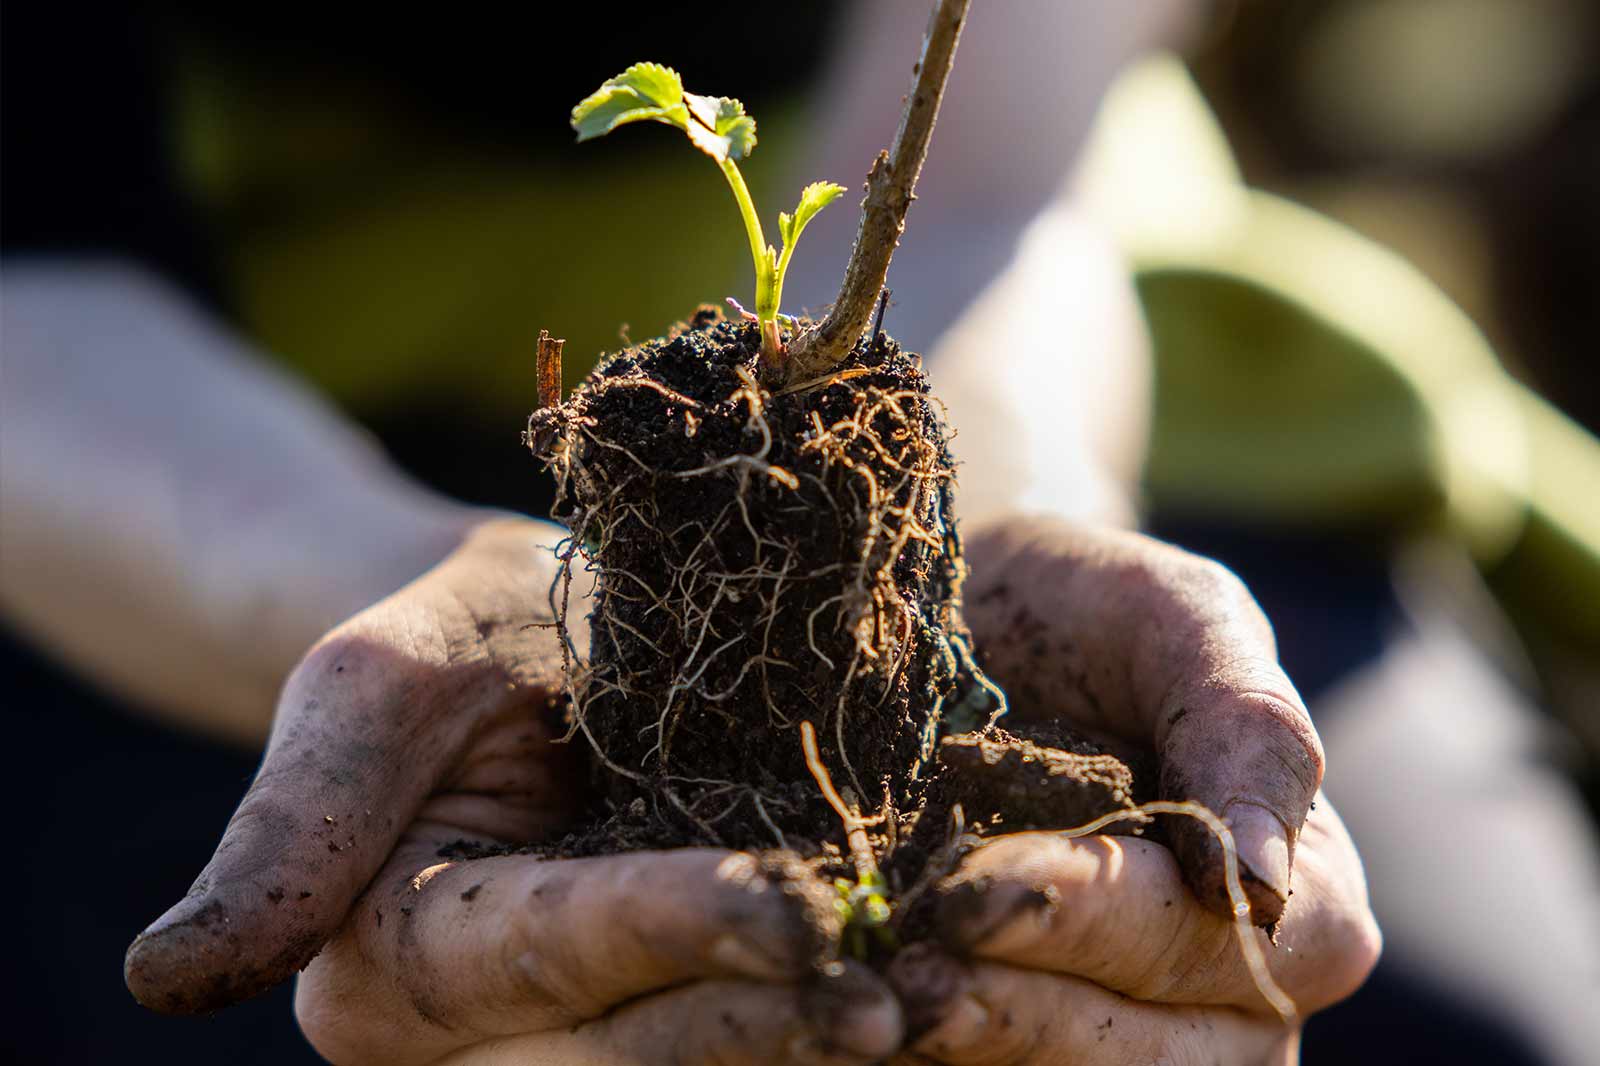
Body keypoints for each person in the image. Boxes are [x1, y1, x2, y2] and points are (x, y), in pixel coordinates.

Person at [1, 3, 1380, 1063]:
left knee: (1445, 1030)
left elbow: (971, 194)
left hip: (1032, 320)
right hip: (166, 456)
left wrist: (975, 522)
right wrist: (398, 585)